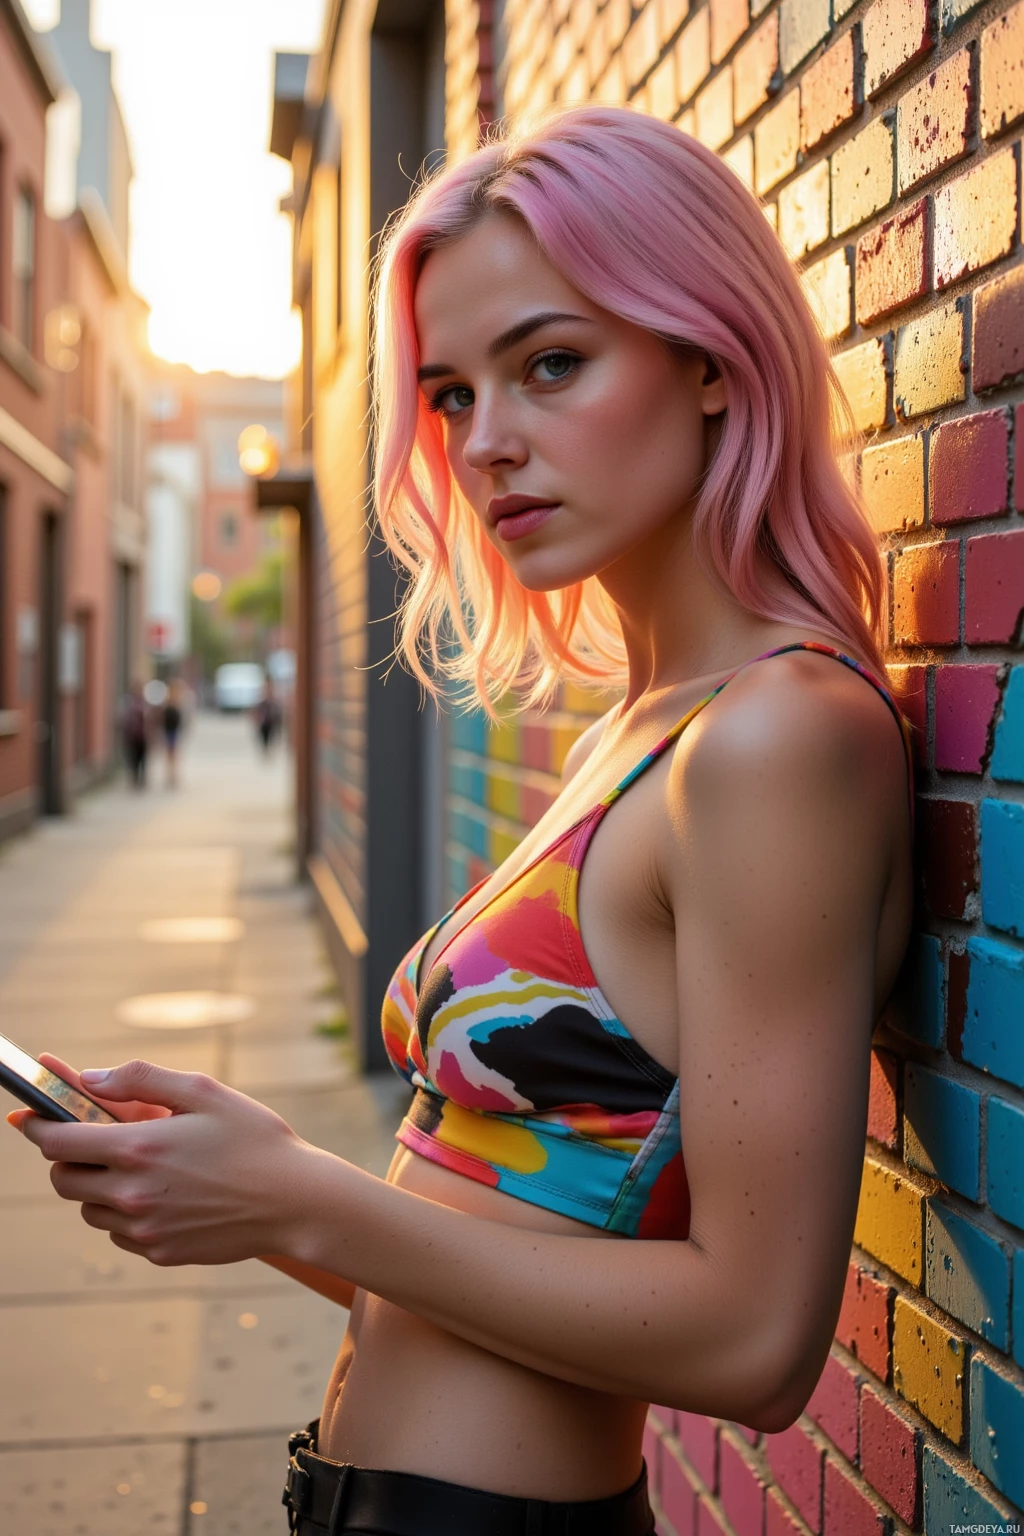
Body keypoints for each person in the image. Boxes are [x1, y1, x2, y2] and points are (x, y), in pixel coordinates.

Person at [8, 107, 915, 1536]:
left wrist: (301, 1195)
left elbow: (754, 1343)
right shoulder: (644, 720)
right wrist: (251, 1192)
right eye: (448, 395)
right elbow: (507, 1254)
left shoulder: (777, 741)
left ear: (713, 361)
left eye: (551, 365)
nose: (488, 444)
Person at [119, 680, 148, 790]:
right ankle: (134, 778)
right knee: (133, 758)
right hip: (132, 736)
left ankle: (141, 779)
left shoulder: (144, 703)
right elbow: (124, 718)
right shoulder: (129, 703)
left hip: (142, 735)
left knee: (143, 758)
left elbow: (149, 718)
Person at [162, 679, 185, 788]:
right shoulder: (169, 704)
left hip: (174, 731)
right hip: (169, 732)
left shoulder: (176, 703)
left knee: (173, 754)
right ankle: (171, 775)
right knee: (171, 754)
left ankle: (173, 775)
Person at [255, 677, 281, 755]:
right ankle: (265, 748)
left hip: (270, 718)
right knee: (263, 735)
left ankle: (268, 748)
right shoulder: (262, 695)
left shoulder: (272, 694)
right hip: (264, 719)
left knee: (270, 734)